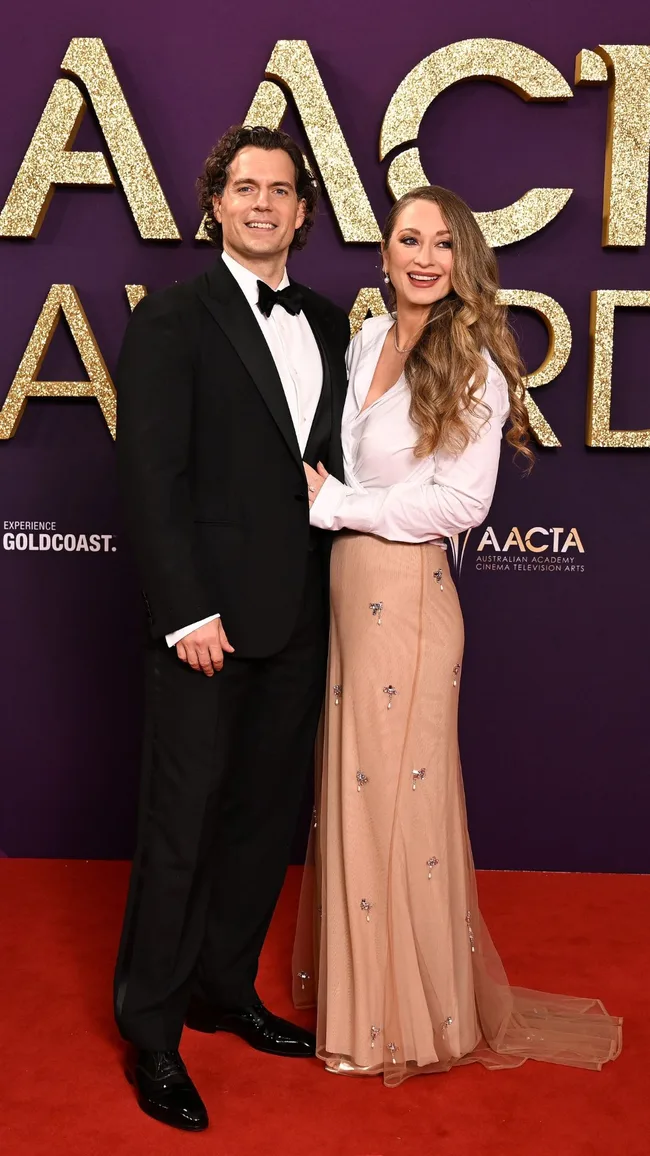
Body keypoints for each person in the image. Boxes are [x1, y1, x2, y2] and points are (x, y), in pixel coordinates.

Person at [293, 185, 622, 1085]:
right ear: (386, 252)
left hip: (410, 598)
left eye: (443, 242)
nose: (425, 257)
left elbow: (461, 502)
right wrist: (332, 507)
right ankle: (363, 1007)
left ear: (463, 257)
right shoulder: (364, 342)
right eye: (409, 239)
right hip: (348, 596)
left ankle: (408, 1023)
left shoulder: (472, 360)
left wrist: (339, 505)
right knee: (357, 795)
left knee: (405, 807)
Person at [114, 125, 349, 1130]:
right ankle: (153, 1031)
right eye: (244, 187)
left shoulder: (334, 322)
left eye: (280, 189)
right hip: (207, 625)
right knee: (181, 829)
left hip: (301, 613)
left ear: (302, 209)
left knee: (259, 823)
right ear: (215, 204)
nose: (262, 203)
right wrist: (186, 613)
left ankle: (221, 987)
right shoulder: (172, 321)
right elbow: (148, 480)